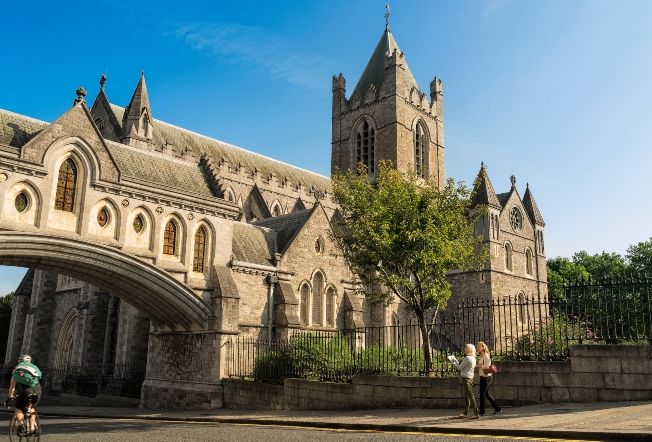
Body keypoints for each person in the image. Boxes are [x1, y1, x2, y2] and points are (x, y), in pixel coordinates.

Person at [7, 354, 42, 436]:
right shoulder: (34, 367)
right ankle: (33, 428)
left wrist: (10, 396)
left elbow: (12, 387)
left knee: (18, 408)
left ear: (19, 361)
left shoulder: (16, 370)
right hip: (36, 390)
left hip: (24, 391)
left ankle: (21, 425)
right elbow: (39, 376)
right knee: (32, 407)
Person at [451, 343, 480, 419]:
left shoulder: (467, 358)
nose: (464, 349)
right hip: (470, 378)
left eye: (465, 348)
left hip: (466, 378)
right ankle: (465, 412)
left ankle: (476, 413)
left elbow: (459, 367)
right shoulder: (473, 358)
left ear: (468, 350)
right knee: (467, 396)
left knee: (470, 395)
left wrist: (454, 361)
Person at [476, 341, 502, 416]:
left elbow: (487, 366)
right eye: (477, 347)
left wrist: (477, 366)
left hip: (486, 377)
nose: (477, 348)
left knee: (482, 394)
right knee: (487, 394)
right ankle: (498, 408)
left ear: (483, 347)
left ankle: (482, 411)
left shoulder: (486, 356)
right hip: (484, 377)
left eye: (478, 347)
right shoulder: (482, 355)